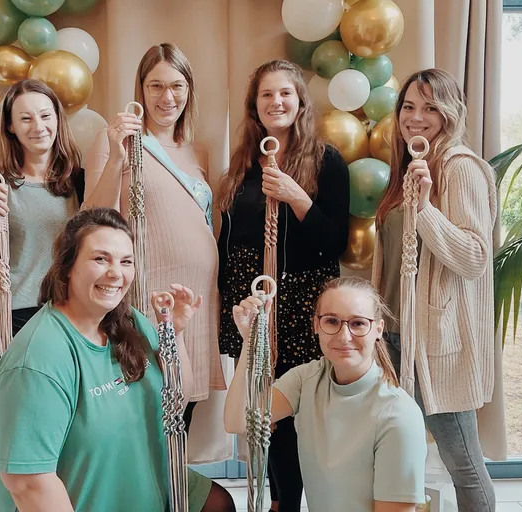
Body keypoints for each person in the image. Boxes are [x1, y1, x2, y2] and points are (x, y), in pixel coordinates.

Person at [0, 207, 235, 512]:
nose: (116, 273)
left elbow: (179, 396)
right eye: (100, 258)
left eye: (126, 261)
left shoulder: (128, 321)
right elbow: (28, 484)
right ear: (68, 266)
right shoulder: (38, 360)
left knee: (218, 503)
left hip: (142, 480)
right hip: (85, 499)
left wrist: (176, 334)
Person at [216, 59, 350, 511]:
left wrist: (296, 196)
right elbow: (229, 239)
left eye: (285, 94)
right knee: (261, 410)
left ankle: (295, 502)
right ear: (255, 106)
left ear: (300, 102)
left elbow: (334, 242)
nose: (276, 102)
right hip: (251, 302)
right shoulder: (241, 164)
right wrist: (228, 305)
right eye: (267, 95)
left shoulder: (326, 161)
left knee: (292, 411)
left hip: (300, 301)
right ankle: (277, 501)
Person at [373, 68, 499, 511]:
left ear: (450, 112)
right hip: (389, 337)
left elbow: (474, 257)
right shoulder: (408, 166)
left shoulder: (461, 168)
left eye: (429, 107)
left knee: (462, 461)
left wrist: (424, 209)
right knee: (398, 455)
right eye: (408, 106)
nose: (416, 117)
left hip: (433, 341)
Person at [85, 42, 224, 434]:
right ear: (140, 90)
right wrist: (116, 158)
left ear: (189, 90)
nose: (168, 97)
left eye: (177, 86)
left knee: (182, 412)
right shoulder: (116, 140)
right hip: (147, 294)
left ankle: (173, 493)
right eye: (156, 86)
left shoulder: (200, 151)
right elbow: (92, 219)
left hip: (194, 299)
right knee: (146, 404)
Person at [224, 276, 427, 512]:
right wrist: (250, 341)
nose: (344, 336)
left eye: (358, 323)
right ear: (316, 325)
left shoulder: (399, 415)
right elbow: (237, 421)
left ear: (378, 329)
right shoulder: (307, 380)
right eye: (332, 321)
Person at [0, 79, 85, 424]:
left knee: (68, 434)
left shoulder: (78, 181)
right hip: (13, 320)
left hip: (69, 317)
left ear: (58, 120)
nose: (39, 127)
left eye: (45, 116)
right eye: (26, 119)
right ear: (10, 126)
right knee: (14, 433)